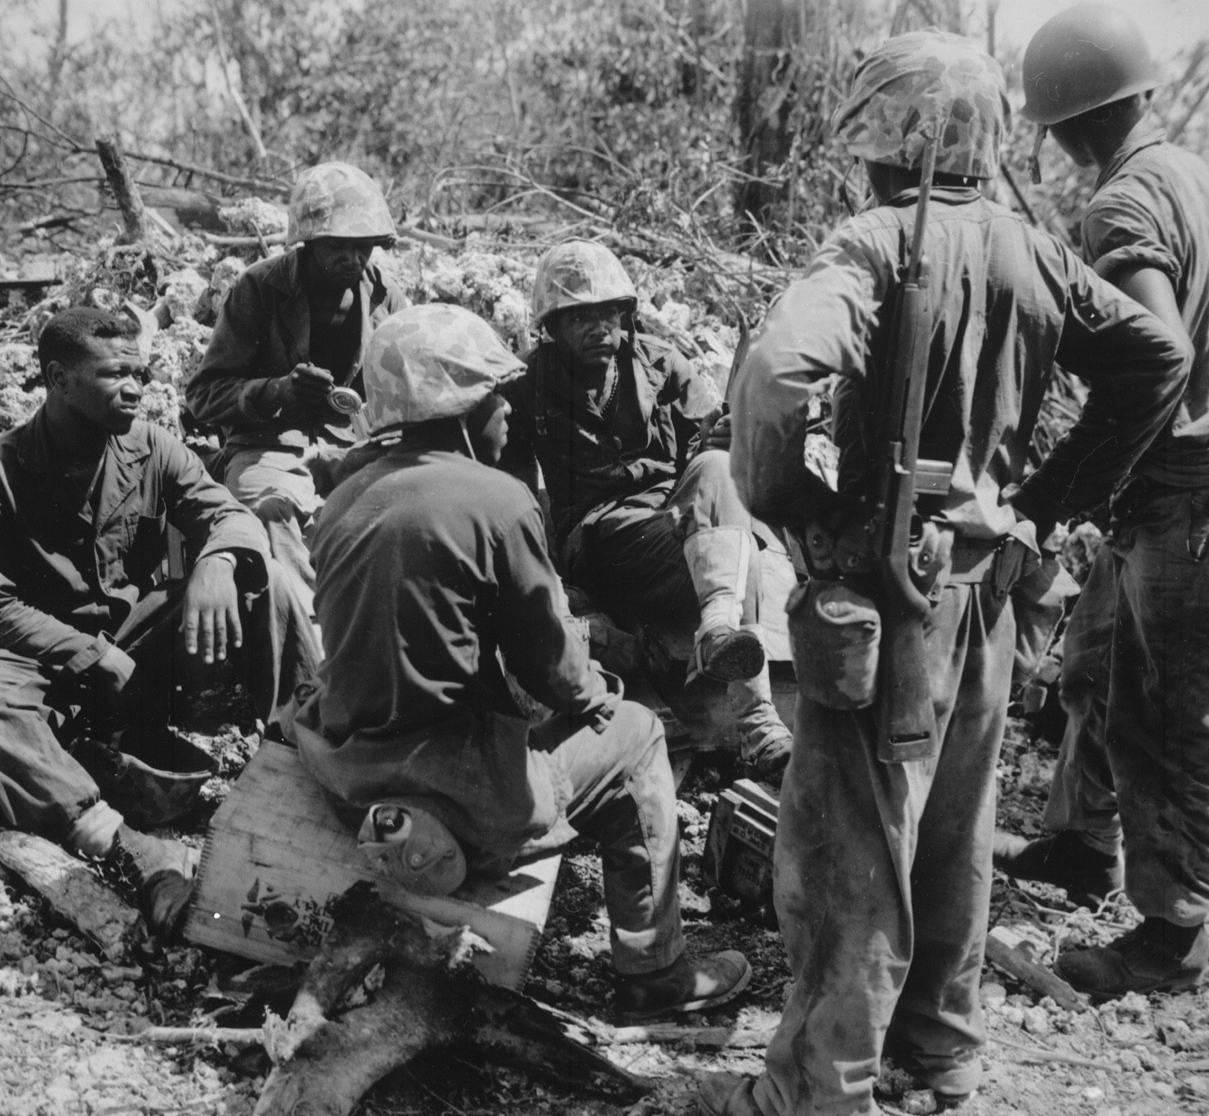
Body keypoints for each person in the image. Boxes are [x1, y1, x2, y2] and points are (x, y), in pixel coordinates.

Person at [694, 31, 1192, 1116]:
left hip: (886, 592)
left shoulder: (870, 244)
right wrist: (1047, 500)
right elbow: (1154, 357)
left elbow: (774, 380)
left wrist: (792, 506)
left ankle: (819, 1096)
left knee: (846, 844)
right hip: (986, 589)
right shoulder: (1029, 246)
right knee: (959, 822)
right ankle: (938, 1045)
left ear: (882, 135)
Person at [287, 303, 752, 1022]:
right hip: (456, 784)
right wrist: (600, 690)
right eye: (498, 396)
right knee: (637, 736)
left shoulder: (344, 495)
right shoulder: (498, 500)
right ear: (467, 411)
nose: (510, 411)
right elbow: (556, 674)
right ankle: (655, 974)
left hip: (352, 769)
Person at [994, 2, 1209, 999]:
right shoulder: (1189, 174)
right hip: (1182, 488)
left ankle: (1172, 939)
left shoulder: (1120, 208)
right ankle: (1081, 846)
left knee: (1177, 714)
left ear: (1062, 126)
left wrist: (1053, 491)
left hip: (1195, 501)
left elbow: (1152, 362)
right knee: (1094, 669)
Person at [0, 307, 322, 936]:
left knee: (264, 579)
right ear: (59, 379)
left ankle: (315, 758)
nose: (137, 387)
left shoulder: (153, 449)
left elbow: (230, 517)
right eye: (115, 374)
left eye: (139, 372)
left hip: (137, 644)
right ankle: (129, 848)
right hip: (40, 658)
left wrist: (216, 565)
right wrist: (93, 656)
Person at [498, 241, 793, 782]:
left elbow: (707, 441)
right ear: (552, 326)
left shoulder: (662, 364)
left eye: (607, 313)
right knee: (738, 549)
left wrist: (724, 436)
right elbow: (511, 491)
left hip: (674, 518)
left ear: (625, 314)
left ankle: (722, 633)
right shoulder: (527, 385)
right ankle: (756, 714)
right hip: (597, 532)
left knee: (722, 474)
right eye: (578, 317)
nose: (597, 328)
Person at [185, 161, 409, 609]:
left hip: (354, 445)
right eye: (338, 248)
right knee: (272, 508)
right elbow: (203, 395)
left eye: (364, 247)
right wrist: (276, 391)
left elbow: (407, 389)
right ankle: (312, 645)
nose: (354, 260)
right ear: (308, 243)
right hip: (268, 443)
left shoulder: (386, 295)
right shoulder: (259, 288)